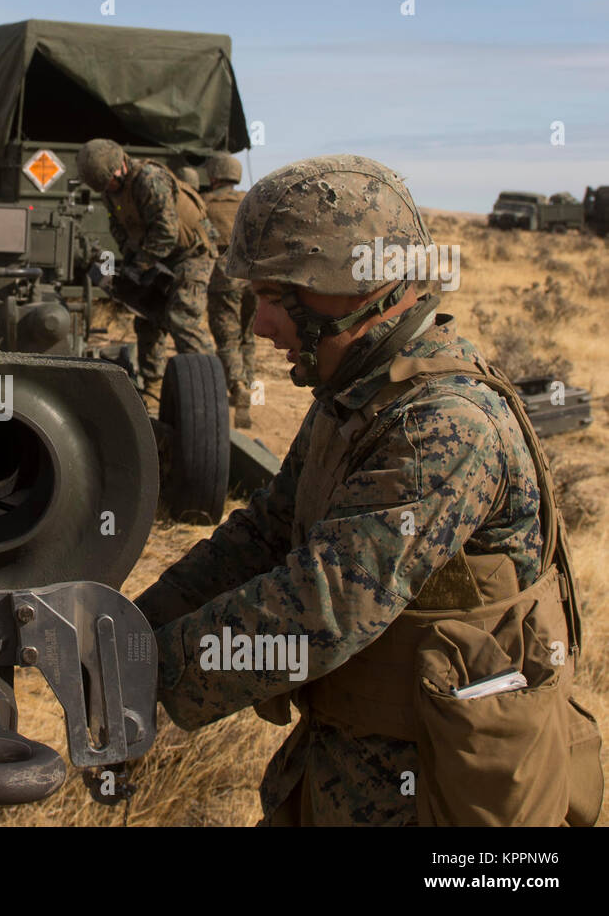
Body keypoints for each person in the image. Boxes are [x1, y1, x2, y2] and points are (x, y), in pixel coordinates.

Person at [133, 155, 597, 826]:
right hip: (352, 774)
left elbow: (324, 605)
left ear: (351, 288)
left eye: (273, 295)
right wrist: (129, 629)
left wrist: (150, 672)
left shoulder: (445, 426)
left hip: (444, 794)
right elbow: (265, 534)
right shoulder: (355, 397)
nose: (259, 325)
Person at [76, 138, 214, 402]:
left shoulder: (150, 179)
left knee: (182, 316)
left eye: (111, 182)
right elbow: (118, 227)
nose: (110, 190)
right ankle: (153, 388)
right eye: (105, 187)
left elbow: (166, 232)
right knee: (146, 317)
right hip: (155, 255)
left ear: (120, 167)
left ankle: (206, 390)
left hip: (190, 254)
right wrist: (130, 266)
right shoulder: (110, 190)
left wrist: (140, 266)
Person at [201, 152, 256, 427]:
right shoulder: (249, 201)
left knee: (227, 339)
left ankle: (236, 387)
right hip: (254, 278)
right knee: (248, 337)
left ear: (213, 176)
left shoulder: (205, 204)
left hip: (224, 278)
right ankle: (248, 387)